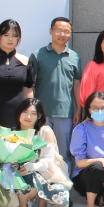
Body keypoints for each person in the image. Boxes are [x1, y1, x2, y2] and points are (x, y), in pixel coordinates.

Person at [30, 17, 83, 170]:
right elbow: (30, 85)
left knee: (63, 153)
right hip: (42, 113)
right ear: (51, 31)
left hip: (65, 113)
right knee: (41, 151)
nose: (62, 34)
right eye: (59, 30)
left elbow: (77, 84)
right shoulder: (37, 55)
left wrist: (78, 109)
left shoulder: (74, 57)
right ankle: (42, 180)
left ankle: (63, 181)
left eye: (66, 31)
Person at [12, 98, 71, 207]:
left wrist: (32, 167)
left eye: (33, 113)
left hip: (43, 174)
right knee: (21, 175)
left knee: (60, 194)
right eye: (25, 112)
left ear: (39, 116)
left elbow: (49, 160)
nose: (28, 116)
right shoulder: (12, 133)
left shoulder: (44, 131)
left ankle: (42, 202)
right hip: (19, 176)